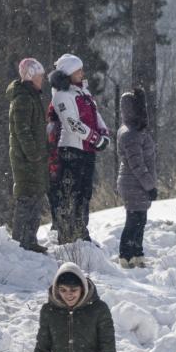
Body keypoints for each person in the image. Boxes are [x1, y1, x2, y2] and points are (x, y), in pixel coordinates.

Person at [49, 54, 109, 244]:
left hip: (87, 151)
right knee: (71, 193)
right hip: (71, 150)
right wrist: (95, 138)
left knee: (85, 193)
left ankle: (81, 231)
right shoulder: (61, 95)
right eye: (78, 70)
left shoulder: (84, 93)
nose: (82, 73)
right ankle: (67, 234)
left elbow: (96, 116)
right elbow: (72, 123)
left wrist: (104, 133)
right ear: (68, 72)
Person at [7, 57, 50, 253]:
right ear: (31, 76)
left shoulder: (32, 96)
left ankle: (29, 240)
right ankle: (19, 244)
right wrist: (34, 154)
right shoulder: (23, 99)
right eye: (39, 76)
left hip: (34, 160)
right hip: (25, 160)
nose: (42, 79)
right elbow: (22, 130)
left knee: (35, 197)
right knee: (27, 198)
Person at [115, 88, 157, 268]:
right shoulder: (130, 134)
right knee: (134, 221)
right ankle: (126, 255)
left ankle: (137, 253)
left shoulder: (136, 130)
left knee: (140, 220)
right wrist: (150, 186)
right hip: (134, 183)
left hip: (135, 183)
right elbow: (137, 165)